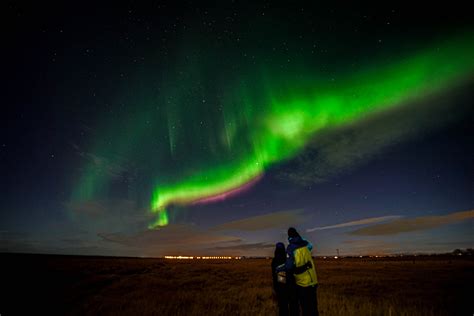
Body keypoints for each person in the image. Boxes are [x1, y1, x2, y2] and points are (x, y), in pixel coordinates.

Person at [283, 227, 319, 316]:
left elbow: (289, 266)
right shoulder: (306, 245)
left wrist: (280, 268)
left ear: (289, 236)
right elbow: (311, 245)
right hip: (313, 281)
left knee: (306, 309)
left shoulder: (291, 248)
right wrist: (300, 238)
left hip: (302, 283)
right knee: (314, 308)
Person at [271, 242, 298, 316]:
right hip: (291, 286)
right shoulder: (287, 259)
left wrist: (276, 288)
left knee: (283, 308)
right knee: (293, 307)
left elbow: (275, 276)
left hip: (281, 287)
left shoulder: (274, 261)